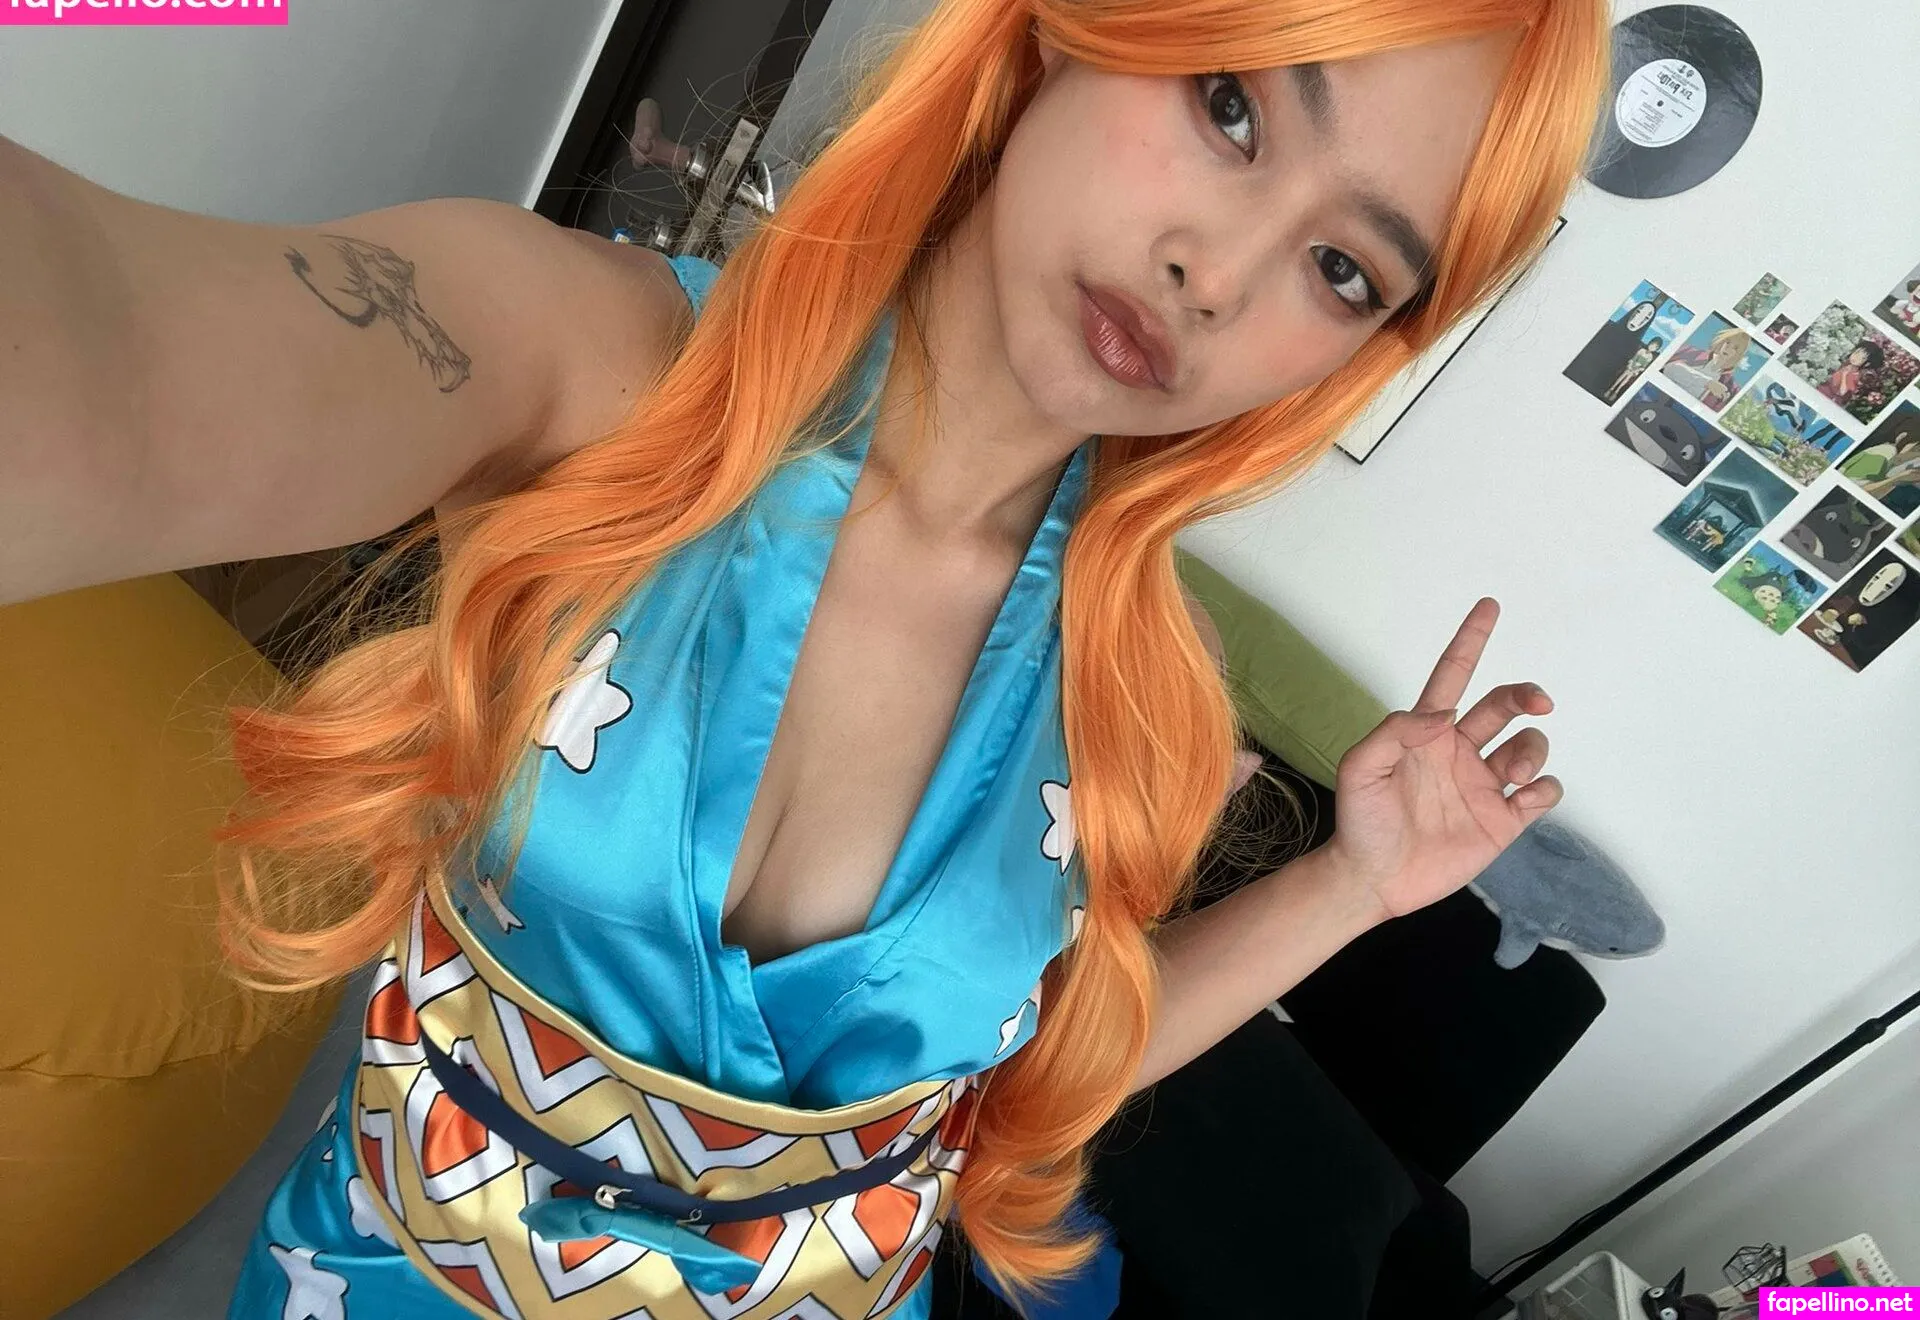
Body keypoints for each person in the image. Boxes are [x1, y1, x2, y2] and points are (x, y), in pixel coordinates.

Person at [0, 0, 1606, 1315]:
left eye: (1344, 270)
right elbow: (109, 351)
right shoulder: (606, 370)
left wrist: (1353, 884)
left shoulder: (1142, 698)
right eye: (1234, 106)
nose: (1221, 271)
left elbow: (1012, 1081)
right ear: (1080, 26)